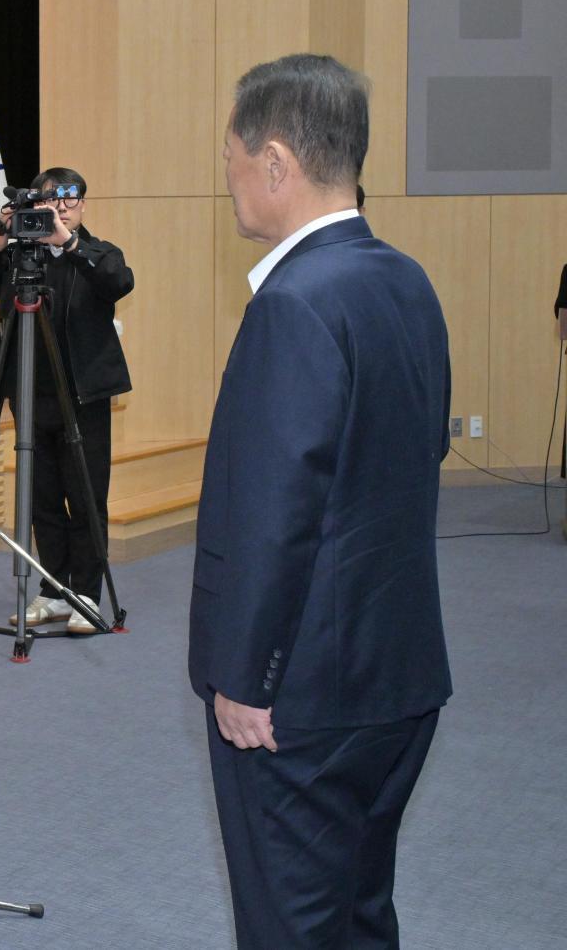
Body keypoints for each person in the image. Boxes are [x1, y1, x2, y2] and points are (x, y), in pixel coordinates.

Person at [190, 54, 452, 948]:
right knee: (358, 914)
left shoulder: (295, 305)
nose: (224, 178)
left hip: (303, 697)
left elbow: (275, 515)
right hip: (399, 673)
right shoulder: (406, 281)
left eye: (228, 157)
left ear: (274, 163)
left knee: (292, 927)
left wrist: (244, 677)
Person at [0, 167, 133, 632]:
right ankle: (54, 590)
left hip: (82, 394)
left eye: (70, 199)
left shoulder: (95, 252)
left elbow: (119, 281)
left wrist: (68, 243)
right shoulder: (18, 258)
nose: (61, 207)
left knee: (86, 496)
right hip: (30, 393)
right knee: (43, 499)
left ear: (82, 206)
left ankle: (87, 595)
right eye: (51, 199)